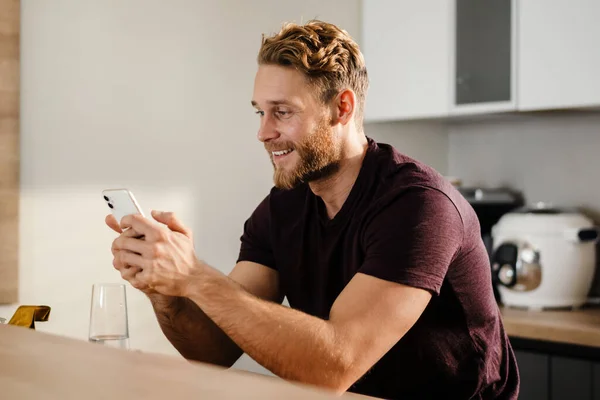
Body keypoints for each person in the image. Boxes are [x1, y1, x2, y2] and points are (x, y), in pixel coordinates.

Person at [106, 20, 520, 399]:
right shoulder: (283, 208)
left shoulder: (418, 206)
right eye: (260, 112)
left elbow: (333, 366)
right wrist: (167, 290)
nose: (264, 132)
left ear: (342, 108)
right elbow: (213, 349)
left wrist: (196, 277)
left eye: (282, 112)